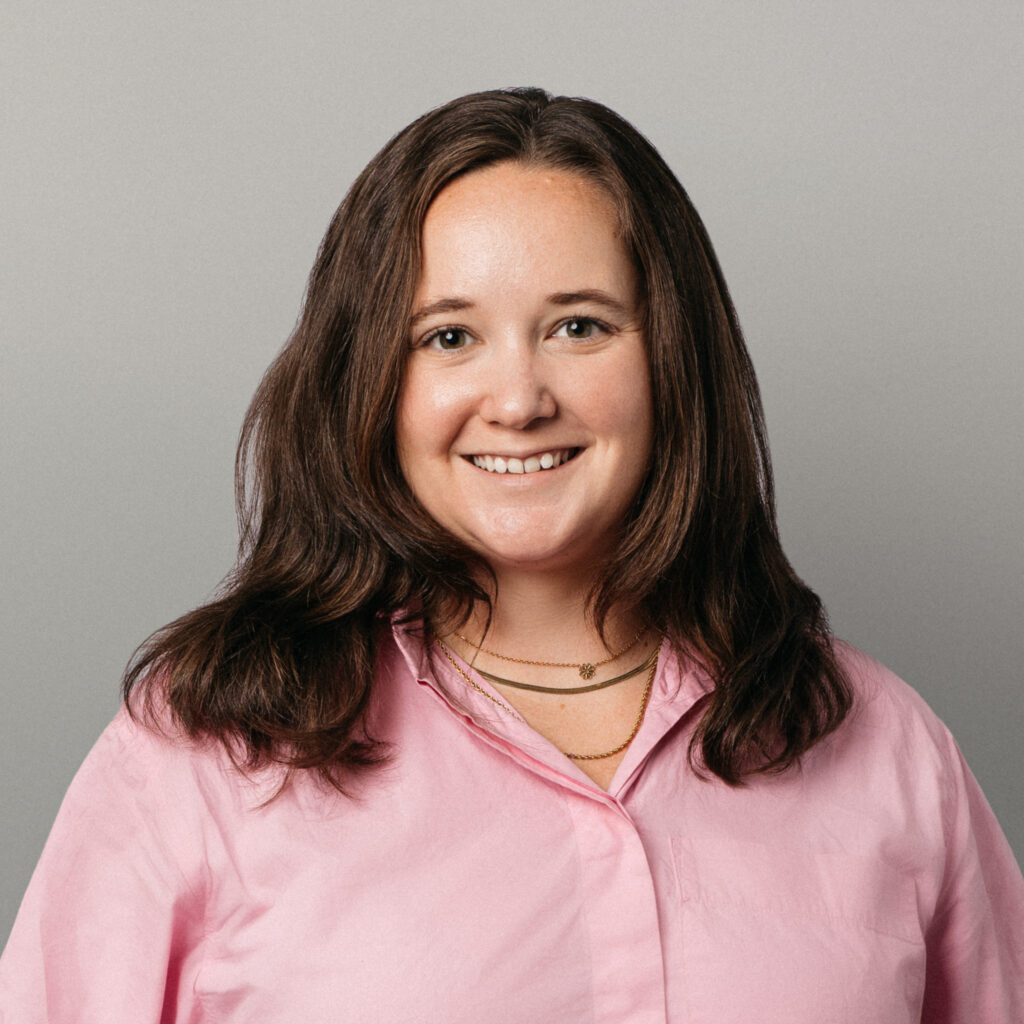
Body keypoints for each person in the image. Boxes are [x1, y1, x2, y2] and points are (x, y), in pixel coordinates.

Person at [1, 87, 1021, 1023]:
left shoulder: (884, 748)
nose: (520, 398)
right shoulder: (204, 752)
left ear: (672, 358)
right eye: (448, 337)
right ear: (370, 379)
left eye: (579, 326)